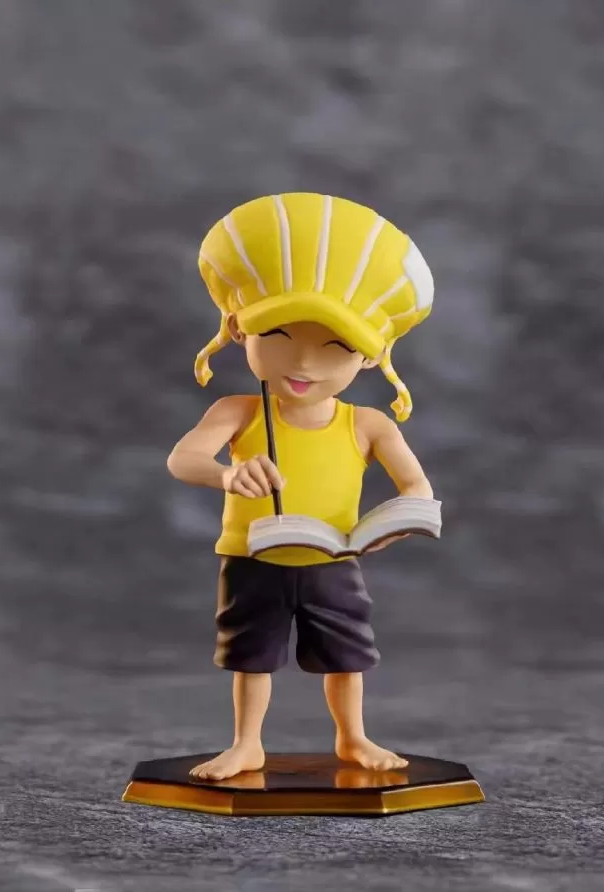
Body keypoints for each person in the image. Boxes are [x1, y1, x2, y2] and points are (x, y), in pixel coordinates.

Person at [165, 193, 437, 781]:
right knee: (251, 656)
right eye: (280, 335)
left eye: (336, 346)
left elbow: (416, 483)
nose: (305, 362)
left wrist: (404, 515)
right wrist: (226, 474)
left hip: (332, 560)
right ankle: (247, 744)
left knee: (346, 655)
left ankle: (353, 737)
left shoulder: (368, 424)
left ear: (371, 357)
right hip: (253, 557)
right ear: (238, 329)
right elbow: (183, 458)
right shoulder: (238, 411)